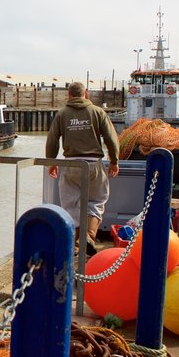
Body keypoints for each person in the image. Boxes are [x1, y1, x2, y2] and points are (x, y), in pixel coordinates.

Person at [46, 81, 120, 255]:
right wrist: (114, 160)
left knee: (71, 204)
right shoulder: (97, 112)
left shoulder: (62, 114)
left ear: (69, 95)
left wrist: (51, 162)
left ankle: (76, 243)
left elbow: (52, 140)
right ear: (85, 94)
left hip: (71, 164)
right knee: (96, 201)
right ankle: (89, 235)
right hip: (93, 164)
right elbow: (111, 138)